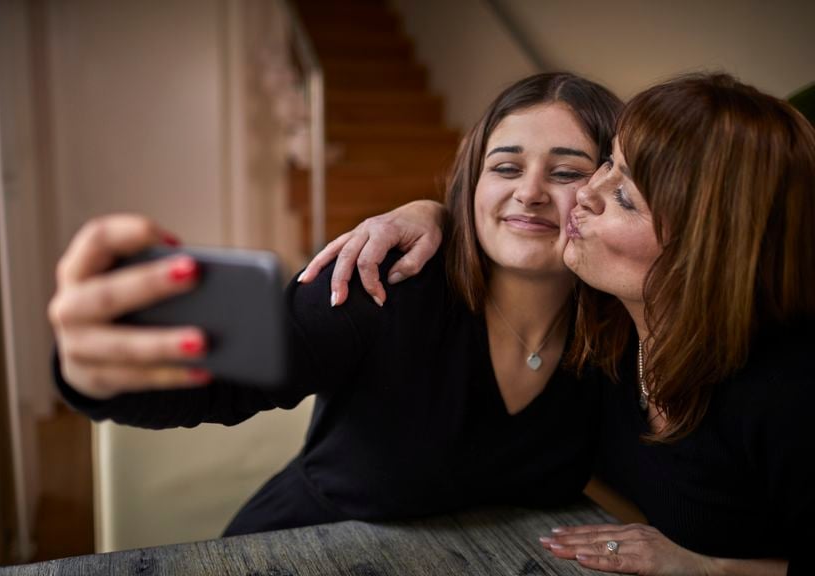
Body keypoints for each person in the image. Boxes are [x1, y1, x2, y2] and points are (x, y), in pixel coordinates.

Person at [49, 73, 623, 535]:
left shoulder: (617, 333)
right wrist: (93, 371)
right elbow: (233, 379)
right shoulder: (384, 282)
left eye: (567, 171)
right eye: (505, 166)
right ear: (470, 184)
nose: (529, 191)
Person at [303, 73, 815, 575]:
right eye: (610, 163)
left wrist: (714, 569)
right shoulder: (608, 339)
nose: (590, 190)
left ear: (707, 249)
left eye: (624, 197)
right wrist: (434, 212)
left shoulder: (787, 391)